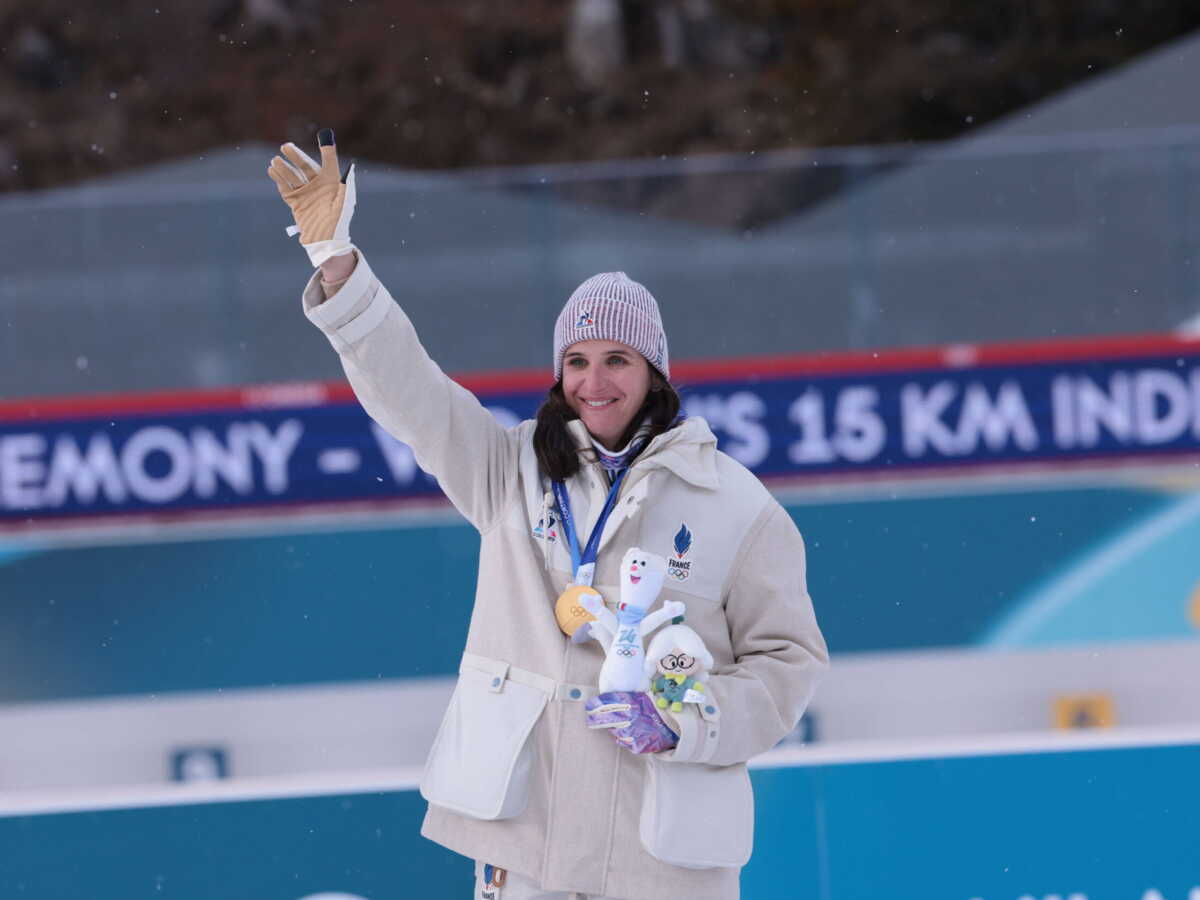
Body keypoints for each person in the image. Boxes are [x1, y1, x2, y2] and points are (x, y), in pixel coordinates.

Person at [268, 130, 828, 900]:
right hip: (527, 846)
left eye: (617, 360)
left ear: (654, 372)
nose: (594, 382)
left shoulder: (737, 506)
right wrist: (337, 261)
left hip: (662, 859)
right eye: (577, 361)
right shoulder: (509, 471)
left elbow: (787, 668)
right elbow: (410, 390)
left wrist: (685, 722)